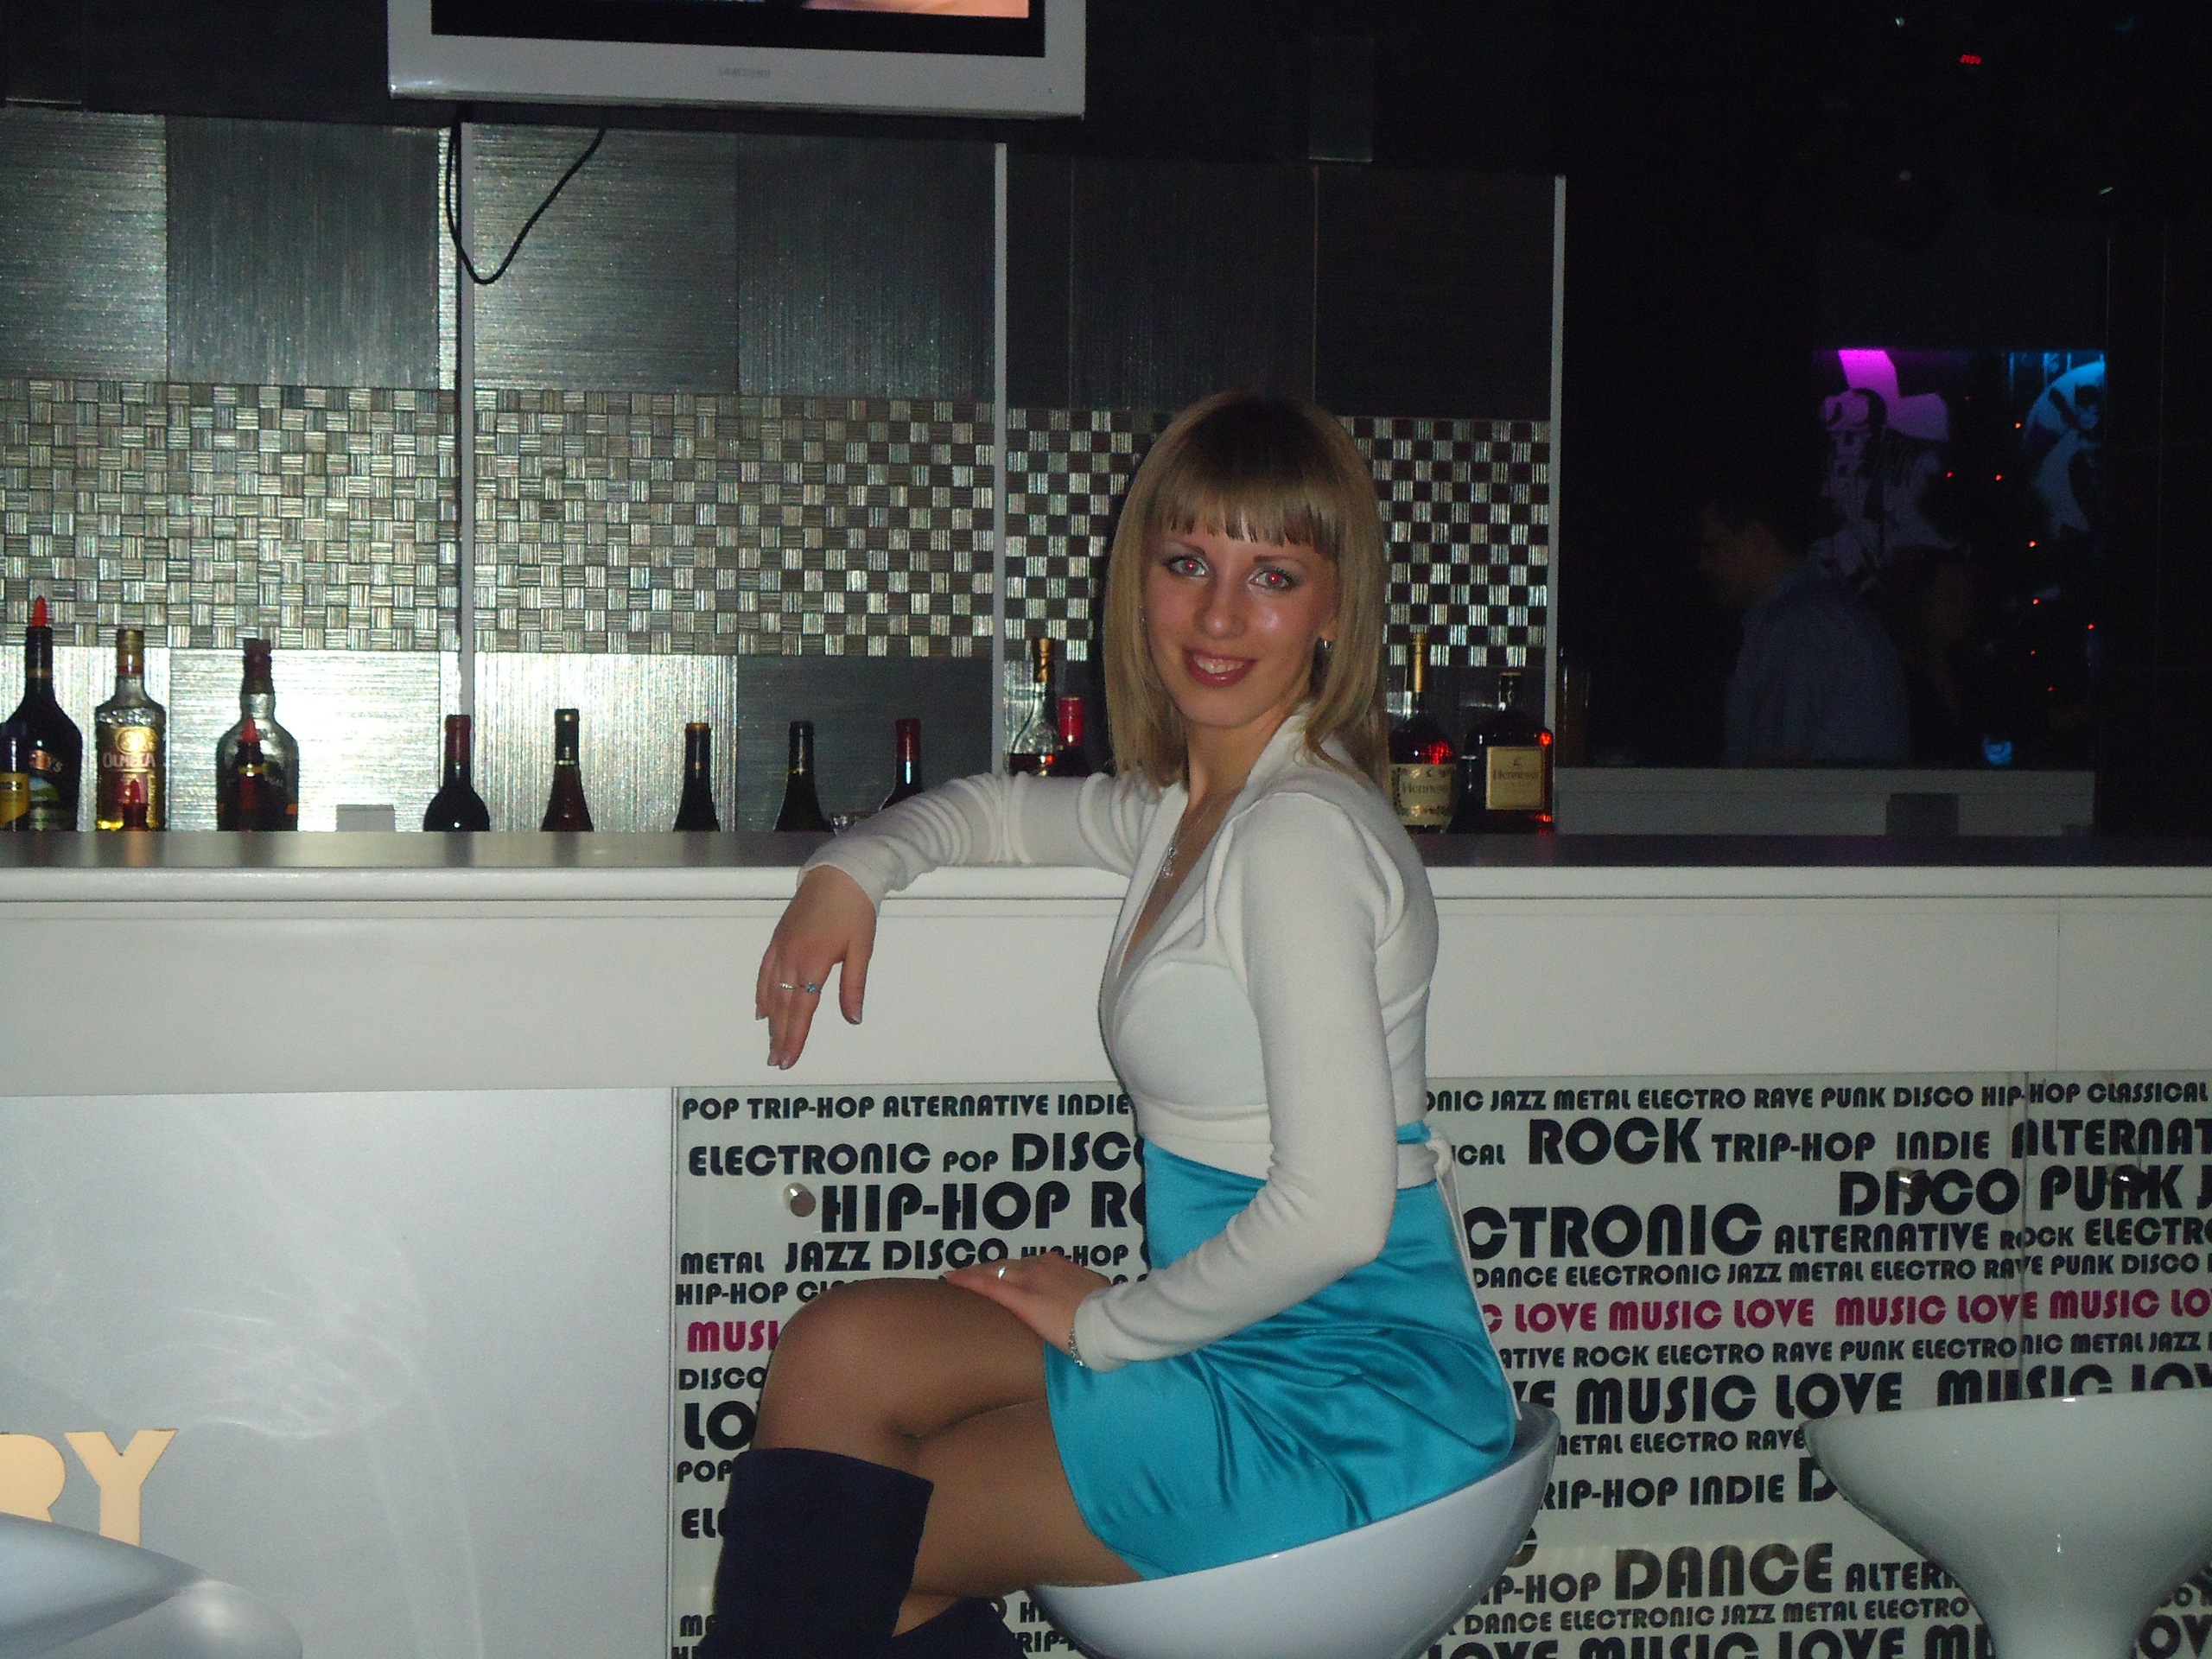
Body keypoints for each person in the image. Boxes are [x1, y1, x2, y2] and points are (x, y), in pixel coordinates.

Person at [702, 392, 1518, 1659]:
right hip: (1253, 1351)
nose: (1219, 616)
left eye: (1272, 577)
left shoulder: (1297, 838)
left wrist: (1106, 1325)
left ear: (1335, 610)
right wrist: (850, 869)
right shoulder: (1194, 812)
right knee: (839, 1358)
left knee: (834, 1553)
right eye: (1188, 563)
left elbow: (1338, 1214)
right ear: (1138, 582)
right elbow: (991, 812)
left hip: (1340, 1396)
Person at [1697, 475, 1910, 766]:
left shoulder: (1798, 624)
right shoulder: (1824, 613)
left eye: (1711, 547)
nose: (1703, 565)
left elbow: (1777, 770)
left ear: (1757, 538)